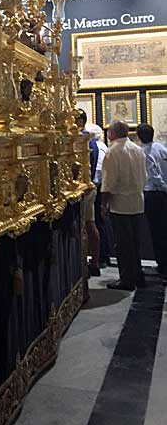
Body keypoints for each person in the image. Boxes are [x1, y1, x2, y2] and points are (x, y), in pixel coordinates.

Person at [101, 120, 147, 291]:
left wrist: (103, 204)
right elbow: (145, 176)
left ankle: (127, 279)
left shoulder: (113, 151)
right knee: (135, 242)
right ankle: (138, 275)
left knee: (123, 244)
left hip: (120, 203)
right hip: (137, 201)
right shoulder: (137, 149)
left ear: (112, 133)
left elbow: (109, 182)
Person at [136, 123, 167, 276]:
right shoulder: (161, 148)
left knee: (157, 231)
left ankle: (163, 266)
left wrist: (163, 187)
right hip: (162, 193)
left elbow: (154, 174)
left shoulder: (144, 152)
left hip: (154, 194)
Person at [75, 110, 101, 276]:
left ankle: (87, 263)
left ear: (79, 121)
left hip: (84, 189)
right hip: (88, 186)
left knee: (86, 226)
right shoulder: (89, 140)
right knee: (90, 224)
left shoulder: (83, 140)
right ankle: (93, 262)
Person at [86, 123, 113, 266]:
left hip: (97, 186)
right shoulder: (102, 147)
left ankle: (102, 256)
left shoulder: (96, 147)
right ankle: (103, 255)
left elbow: (98, 170)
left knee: (98, 222)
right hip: (99, 186)